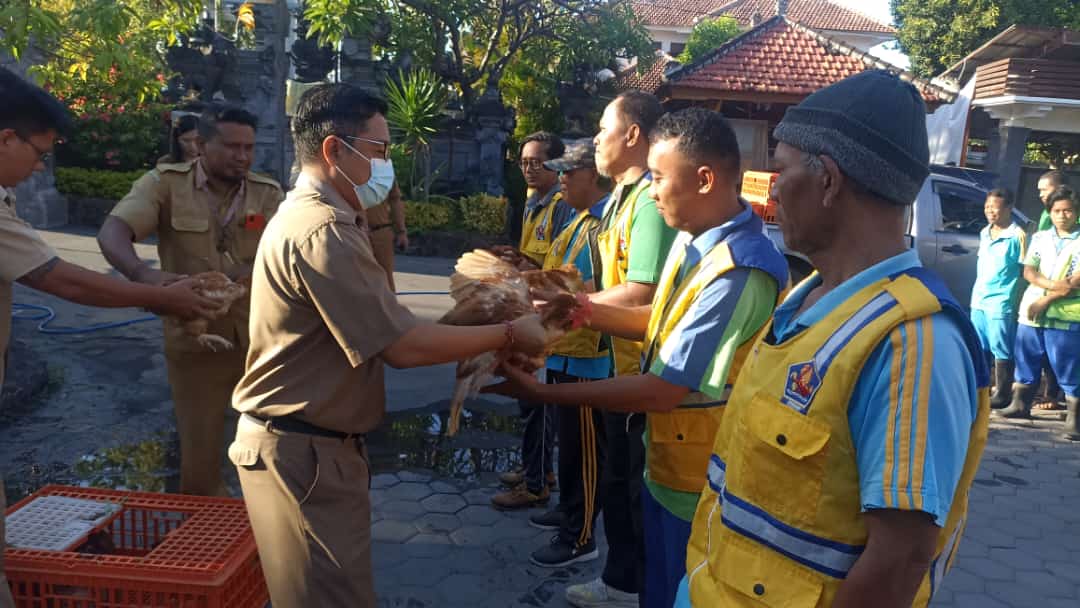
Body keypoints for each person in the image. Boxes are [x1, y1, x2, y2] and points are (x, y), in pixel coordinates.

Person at [676, 70, 990, 607]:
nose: (772, 189)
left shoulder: (911, 343)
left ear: (828, 180)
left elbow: (900, 560)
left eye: (781, 169)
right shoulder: (806, 302)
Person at [227, 83, 548, 607]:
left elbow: (386, 324)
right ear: (335, 150)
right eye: (378, 150)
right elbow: (401, 346)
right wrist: (512, 333)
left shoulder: (329, 218)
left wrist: (481, 307)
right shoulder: (322, 228)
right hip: (302, 453)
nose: (386, 164)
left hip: (314, 450)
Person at [487, 108, 788, 608]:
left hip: (702, 483)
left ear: (705, 179)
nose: (652, 191)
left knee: (681, 589)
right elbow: (657, 319)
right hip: (667, 464)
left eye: (661, 178)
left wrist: (541, 391)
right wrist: (579, 310)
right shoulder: (694, 245)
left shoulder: (740, 270)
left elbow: (663, 389)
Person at [0, 66, 219, 608]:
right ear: (6, 138)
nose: (38, 167)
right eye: (38, 152)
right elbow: (61, 278)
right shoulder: (164, 182)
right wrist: (157, 292)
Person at [97, 104, 285, 496]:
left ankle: (265, 531)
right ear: (200, 144)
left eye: (249, 147)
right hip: (196, 336)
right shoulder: (166, 184)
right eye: (232, 146)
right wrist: (145, 278)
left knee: (274, 444)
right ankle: (202, 537)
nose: (243, 156)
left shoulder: (268, 193)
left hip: (262, 338)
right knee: (200, 450)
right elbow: (113, 232)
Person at [561, 90, 678, 608]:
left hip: (643, 372)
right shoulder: (623, 202)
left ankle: (631, 585)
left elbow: (641, 293)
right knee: (618, 483)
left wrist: (570, 307)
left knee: (632, 488)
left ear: (633, 135)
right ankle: (623, 580)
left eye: (603, 128)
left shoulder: (648, 204)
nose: (596, 139)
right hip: (619, 363)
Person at [525, 139, 612, 568]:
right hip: (564, 348)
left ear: (593, 176)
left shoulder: (600, 228)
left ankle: (580, 536)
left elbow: (596, 293)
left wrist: (541, 293)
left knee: (585, 451)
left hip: (586, 355)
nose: (560, 179)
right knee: (569, 447)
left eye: (568, 173)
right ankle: (568, 510)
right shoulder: (577, 221)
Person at [493, 131, 573, 509]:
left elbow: (562, 268)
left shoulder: (561, 206)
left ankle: (537, 483)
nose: (528, 169)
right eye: (523, 162)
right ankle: (538, 470)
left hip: (547, 312)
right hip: (530, 304)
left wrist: (530, 267)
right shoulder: (533, 203)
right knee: (532, 401)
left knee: (536, 400)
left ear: (555, 167)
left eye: (536, 162)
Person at [997, 185, 1080, 440]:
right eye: (1057, 211)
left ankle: (1074, 419)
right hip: (1031, 313)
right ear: (1050, 212)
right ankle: (1020, 405)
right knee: (1027, 357)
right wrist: (1054, 286)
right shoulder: (1041, 237)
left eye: (1068, 211)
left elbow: (1076, 280)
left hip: (1065, 316)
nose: (1062, 216)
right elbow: (1028, 271)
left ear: (1076, 213)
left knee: (1067, 366)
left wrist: (1047, 299)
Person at [970, 189, 1026, 408]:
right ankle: (981, 389)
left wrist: (1016, 300)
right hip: (979, 299)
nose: (990, 211)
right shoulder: (985, 232)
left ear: (1008, 208)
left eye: (995, 207)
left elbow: (1024, 272)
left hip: (1001, 301)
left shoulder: (1017, 235)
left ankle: (1002, 394)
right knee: (980, 346)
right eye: (987, 207)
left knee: (1001, 347)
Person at [363, 180, 407, 290]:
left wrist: (401, 232)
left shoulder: (384, 169)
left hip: (381, 233)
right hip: (354, 233)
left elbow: (395, 200)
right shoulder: (344, 167)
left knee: (385, 282)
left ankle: (389, 306)